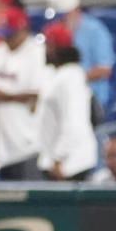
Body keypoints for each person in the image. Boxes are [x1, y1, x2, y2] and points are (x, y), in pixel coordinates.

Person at [0, 8, 46, 181]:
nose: (6, 38)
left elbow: (40, 95)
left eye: (11, 34)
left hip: (28, 145)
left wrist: (5, 96)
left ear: (23, 30)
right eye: (4, 34)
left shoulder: (38, 53)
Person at [34, 24, 96, 181]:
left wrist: (59, 158)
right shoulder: (54, 74)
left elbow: (75, 121)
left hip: (69, 162)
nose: (45, 50)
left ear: (56, 48)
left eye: (48, 46)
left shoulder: (72, 77)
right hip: (54, 159)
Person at [42, 0, 114, 116]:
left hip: (92, 98)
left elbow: (104, 69)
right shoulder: (51, 30)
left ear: (76, 10)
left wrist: (71, 80)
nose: (60, 20)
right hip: (58, 96)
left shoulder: (95, 30)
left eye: (64, 15)